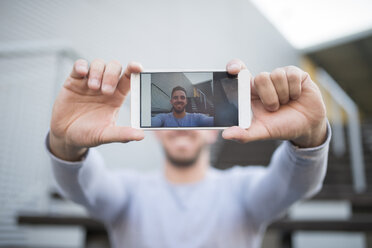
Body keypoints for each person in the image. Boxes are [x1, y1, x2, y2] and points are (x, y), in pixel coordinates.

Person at [47, 58, 330, 248]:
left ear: (212, 129)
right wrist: (66, 144)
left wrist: (309, 137)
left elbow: (292, 185)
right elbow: (88, 187)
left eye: (188, 108)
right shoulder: (129, 190)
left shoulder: (241, 188)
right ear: (157, 129)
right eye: (174, 107)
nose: (182, 126)